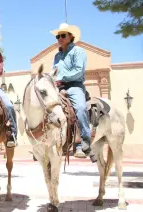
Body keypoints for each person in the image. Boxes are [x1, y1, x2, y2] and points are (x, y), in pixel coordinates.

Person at [50, 23, 94, 159]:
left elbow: (78, 70)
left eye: (63, 35)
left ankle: (85, 141)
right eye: (58, 36)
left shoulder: (78, 51)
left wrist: (60, 77)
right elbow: (53, 71)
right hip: (59, 86)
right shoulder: (57, 56)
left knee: (80, 108)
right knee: (45, 106)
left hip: (74, 85)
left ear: (71, 37)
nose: (60, 38)